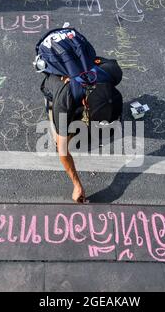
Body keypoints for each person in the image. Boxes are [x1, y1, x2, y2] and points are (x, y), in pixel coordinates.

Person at [36, 28, 123, 203]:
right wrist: (77, 185)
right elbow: (62, 151)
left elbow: (98, 62)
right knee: (59, 138)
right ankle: (51, 107)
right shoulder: (65, 98)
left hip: (73, 47)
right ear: (85, 104)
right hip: (51, 52)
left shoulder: (113, 71)